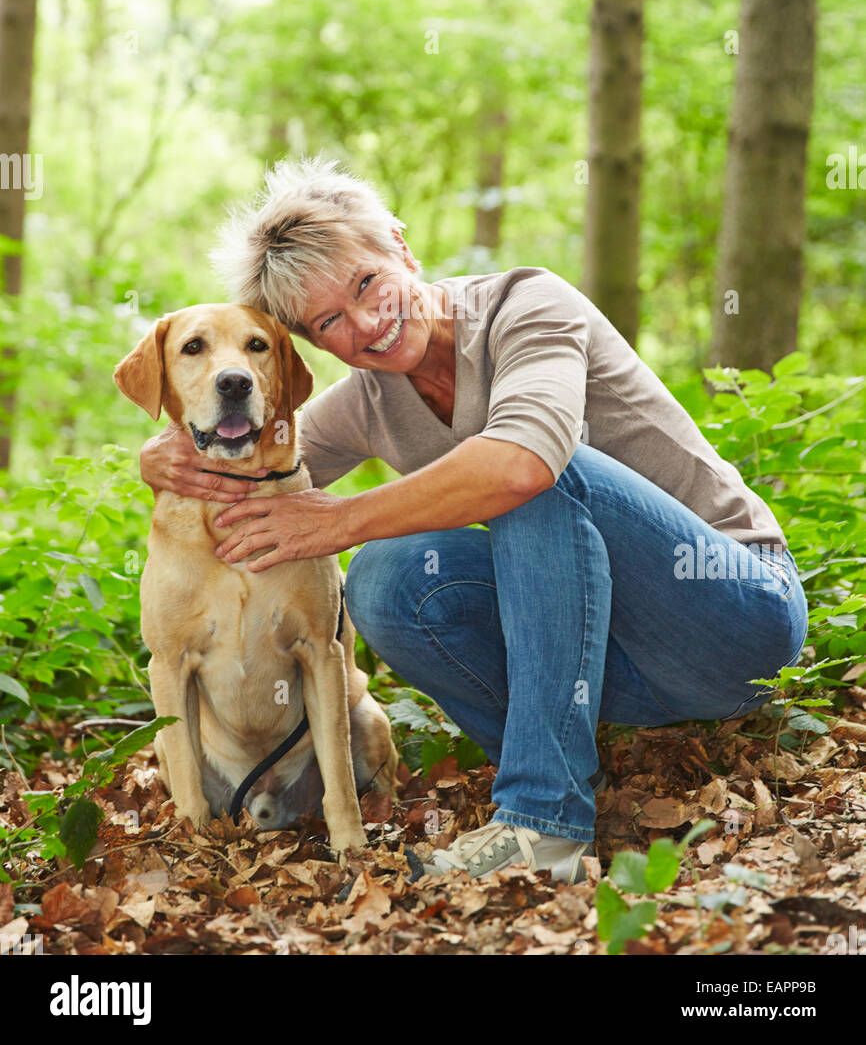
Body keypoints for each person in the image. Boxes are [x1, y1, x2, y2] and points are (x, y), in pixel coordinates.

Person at [139, 154, 809, 884]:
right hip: (619, 668)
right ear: (316, 344)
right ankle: (567, 763)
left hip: (735, 616)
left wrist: (340, 521)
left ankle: (544, 821)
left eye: (366, 283)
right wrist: (162, 457)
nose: (364, 322)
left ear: (400, 244)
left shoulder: (529, 306)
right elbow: (258, 454)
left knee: (540, 475)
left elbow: (521, 464)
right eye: (330, 320)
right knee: (387, 580)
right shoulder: (371, 397)